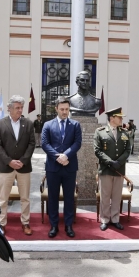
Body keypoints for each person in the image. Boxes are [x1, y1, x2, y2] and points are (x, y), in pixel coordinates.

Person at [0, 95, 36, 235]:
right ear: (9, 108)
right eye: (17, 108)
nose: (20, 110)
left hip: (24, 167)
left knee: (25, 198)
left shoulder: (28, 124)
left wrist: (22, 161)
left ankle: (25, 223)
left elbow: (32, 144)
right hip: (6, 167)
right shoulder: (0, 124)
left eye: (21, 107)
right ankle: (2, 223)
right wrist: (9, 161)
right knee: (3, 198)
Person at [41, 96, 82, 238]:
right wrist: (58, 156)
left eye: (67, 109)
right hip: (53, 167)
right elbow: (45, 144)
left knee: (69, 197)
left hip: (70, 167)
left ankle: (68, 225)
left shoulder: (75, 125)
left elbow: (77, 143)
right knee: (53, 197)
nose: (65, 112)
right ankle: (53, 225)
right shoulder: (48, 125)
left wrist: (66, 155)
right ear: (56, 109)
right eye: (62, 109)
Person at [94, 107, 131, 231]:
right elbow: (97, 150)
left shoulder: (125, 132)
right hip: (106, 169)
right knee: (105, 196)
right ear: (112, 118)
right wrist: (110, 162)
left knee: (116, 196)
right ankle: (104, 219)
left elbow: (127, 150)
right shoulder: (100, 132)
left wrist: (119, 162)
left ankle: (115, 219)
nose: (121, 119)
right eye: (119, 117)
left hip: (119, 169)